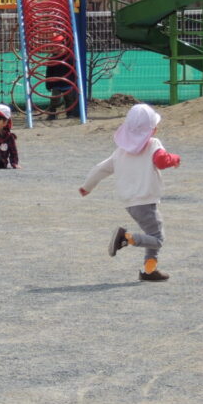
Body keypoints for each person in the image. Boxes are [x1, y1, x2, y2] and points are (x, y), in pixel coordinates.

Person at [78, 103, 181, 282]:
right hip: (145, 200)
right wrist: (176, 159)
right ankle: (126, 238)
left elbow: (100, 169)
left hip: (130, 202)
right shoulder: (153, 144)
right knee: (157, 238)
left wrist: (87, 186)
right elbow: (162, 161)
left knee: (151, 233)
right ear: (152, 130)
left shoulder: (120, 152)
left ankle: (149, 270)